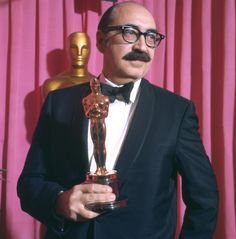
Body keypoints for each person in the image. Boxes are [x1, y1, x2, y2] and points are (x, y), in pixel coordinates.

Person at [17, 2, 219, 239]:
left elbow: (205, 199)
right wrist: (59, 201)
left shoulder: (177, 111)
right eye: (129, 32)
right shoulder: (58, 102)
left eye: (151, 36)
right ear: (102, 41)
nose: (142, 45)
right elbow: (30, 184)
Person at [43, 32, 96, 98]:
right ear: (67, 49)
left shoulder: (99, 84)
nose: (79, 53)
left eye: (84, 48)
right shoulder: (52, 85)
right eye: (74, 47)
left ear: (90, 50)